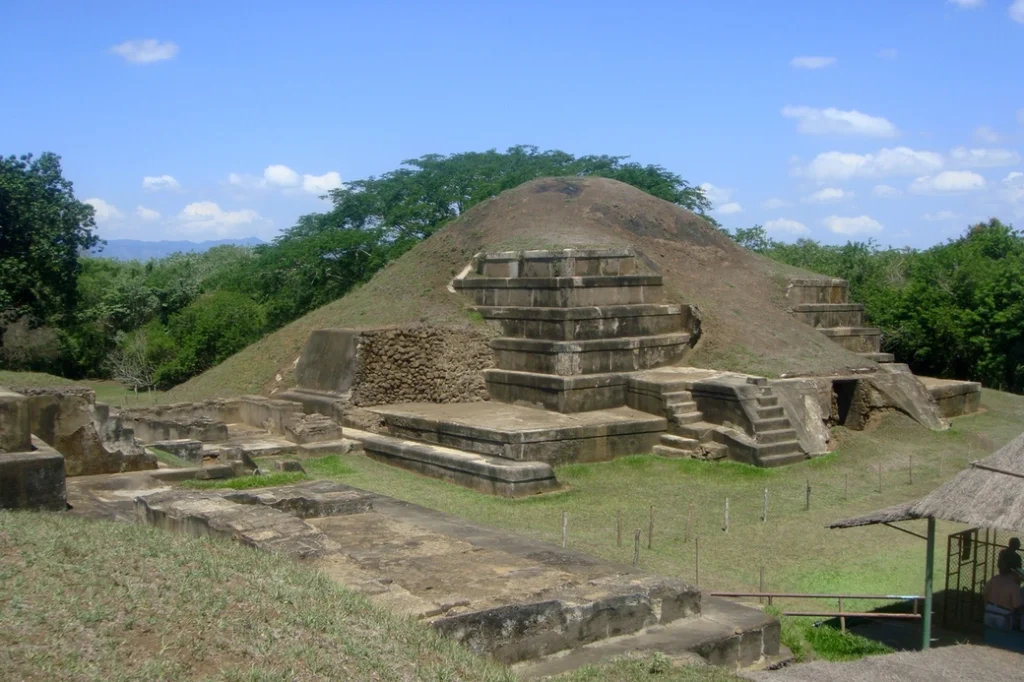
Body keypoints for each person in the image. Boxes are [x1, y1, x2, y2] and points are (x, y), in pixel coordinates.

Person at [983, 564, 1023, 631]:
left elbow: (985, 592)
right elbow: (1016, 605)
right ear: (1017, 575)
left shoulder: (994, 579)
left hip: (989, 611)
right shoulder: (1014, 586)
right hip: (1003, 616)